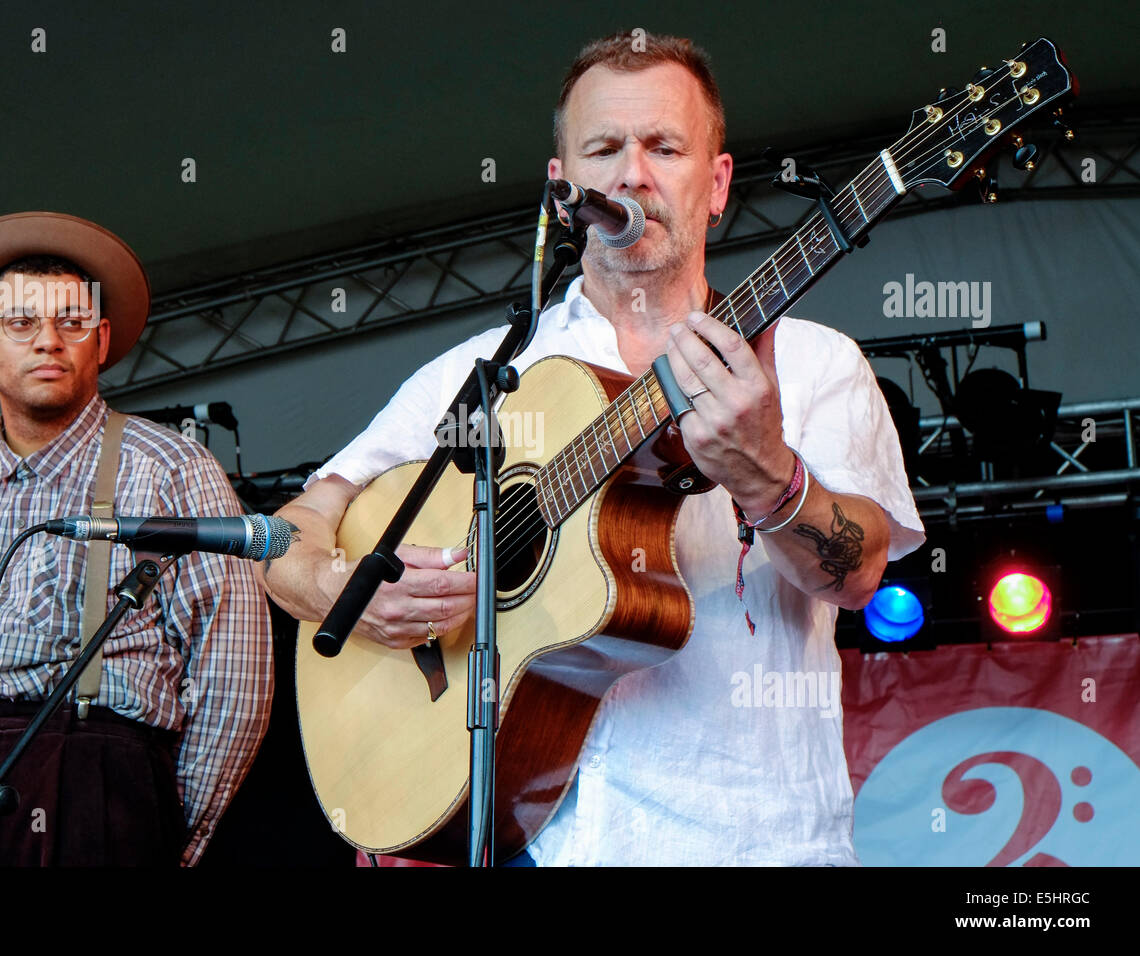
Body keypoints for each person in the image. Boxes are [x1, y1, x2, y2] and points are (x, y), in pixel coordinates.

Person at [263, 32, 924, 865]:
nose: (631, 176)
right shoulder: (485, 376)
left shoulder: (809, 362)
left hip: (757, 838)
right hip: (545, 844)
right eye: (604, 149)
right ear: (561, 186)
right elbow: (289, 530)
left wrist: (772, 482)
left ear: (717, 184)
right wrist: (341, 588)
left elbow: (858, 573)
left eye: (666, 148)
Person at [0, 212, 274, 867]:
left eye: (72, 322)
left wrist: (168, 835)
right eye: (21, 323)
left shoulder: (171, 468)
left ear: (100, 341)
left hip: (95, 778)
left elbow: (231, 674)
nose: (48, 340)